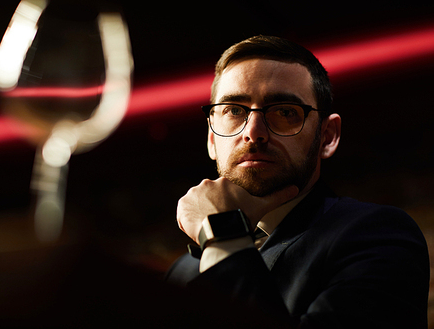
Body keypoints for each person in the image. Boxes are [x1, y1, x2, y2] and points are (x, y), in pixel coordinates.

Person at [165, 35, 430, 328]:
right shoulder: (183, 271)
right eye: (234, 110)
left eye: (285, 112)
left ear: (327, 137)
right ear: (212, 139)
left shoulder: (377, 235)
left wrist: (223, 235)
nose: (253, 132)